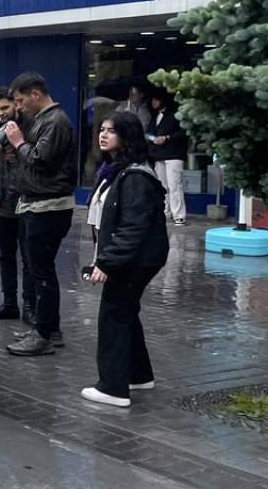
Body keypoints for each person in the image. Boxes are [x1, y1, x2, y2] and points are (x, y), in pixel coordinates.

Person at [82, 111, 168, 407]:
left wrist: (108, 262)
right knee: (125, 312)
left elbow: (134, 226)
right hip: (132, 257)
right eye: (102, 129)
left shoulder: (135, 176)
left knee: (113, 315)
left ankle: (113, 388)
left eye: (111, 131)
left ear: (127, 136)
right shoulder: (116, 170)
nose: (103, 135)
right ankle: (139, 375)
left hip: (136, 259)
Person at [4, 72, 77, 356]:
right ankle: (49, 328)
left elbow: (42, 160)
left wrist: (19, 143)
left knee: (42, 271)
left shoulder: (55, 121)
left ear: (36, 94)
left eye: (21, 101)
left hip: (47, 207)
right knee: (38, 270)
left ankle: (44, 333)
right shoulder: (44, 120)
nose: (19, 107)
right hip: (36, 204)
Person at [0, 87, 33, 323]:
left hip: (25, 201)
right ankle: (10, 303)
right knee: (6, 255)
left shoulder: (30, 125)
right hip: (3, 203)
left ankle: (29, 305)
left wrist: (19, 150)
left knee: (28, 256)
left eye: (5, 108)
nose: (1, 113)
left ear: (15, 104)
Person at [148, 94, 187, 226]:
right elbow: (150, 132)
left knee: (174, 185)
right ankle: (166, 211)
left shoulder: (176, 115)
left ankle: (179, 215)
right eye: (153, 99)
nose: (153, 101)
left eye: (156, 98)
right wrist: (151, 137)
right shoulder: (155, 116)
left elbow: (183, 133)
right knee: (162, 185)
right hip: (159, 155)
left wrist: (167, 138)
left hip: (174, 155)